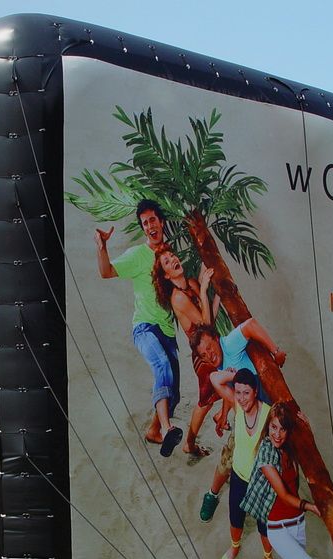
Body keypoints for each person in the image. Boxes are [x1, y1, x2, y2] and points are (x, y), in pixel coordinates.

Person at [95, 200, 182, 456]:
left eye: (153, 220)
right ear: (143, 228)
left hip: (167, 330)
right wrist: (102, 247)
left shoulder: (168, 254)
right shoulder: (137, 255)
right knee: (161, 365)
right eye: (145, 223)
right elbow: (106, 272)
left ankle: (154, 431)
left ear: (161, 222)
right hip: (144, 328)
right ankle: (166, 428)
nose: (150, 226)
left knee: (174, 392)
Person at [241, 403, 324, 559]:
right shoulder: (266, 453)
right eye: (273, 427)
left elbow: (308, 455)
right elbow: (285, 495)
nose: (277, 434)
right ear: (267, 427)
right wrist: (310, 507)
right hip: (278, 527)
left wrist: (307, 429)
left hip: (297, 523)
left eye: (283, 429)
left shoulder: (289, 446)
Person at [194, 320, 287, 523]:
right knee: (229, 455)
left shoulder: (229, 344)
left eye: (209, 347)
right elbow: (230, 387)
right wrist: (224, 414)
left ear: (217, 339)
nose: (209, 355)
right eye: (203, 354)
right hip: (245, 412)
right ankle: (212, 494)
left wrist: (276, 351)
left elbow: (251, 325)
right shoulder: (220, 364)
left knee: (269, 458)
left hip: (262, 407)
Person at [152, 249, 220, 457]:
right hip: (203, 356)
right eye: (167, 262)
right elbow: (205, 325)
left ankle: (220, 417)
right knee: (205, 401)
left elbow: (210, 319)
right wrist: (205, 289)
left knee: (219, 391)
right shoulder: (178, 298)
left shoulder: (191, 283)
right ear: (166, 275)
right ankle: (189, 443)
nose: (173, 259)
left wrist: (218, 295)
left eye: (172, 256)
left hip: (213, 344)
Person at [209, 368, 275, 559]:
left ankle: (268, 557)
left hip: (261, 482)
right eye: (238, 392)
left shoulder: (268, 413)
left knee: (264, 526)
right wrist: (234, 376)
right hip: (238, 475)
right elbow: (215, 379)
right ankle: (235, 547)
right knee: (235, 518)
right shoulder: (237, 405)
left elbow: (284, 429)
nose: (242, 398)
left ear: (255, 391)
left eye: (246, 393)